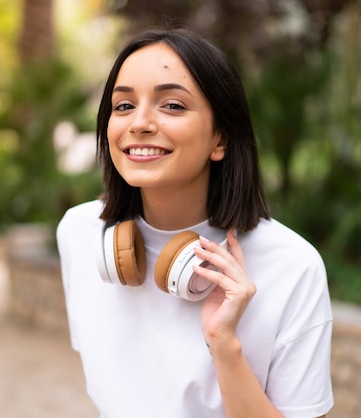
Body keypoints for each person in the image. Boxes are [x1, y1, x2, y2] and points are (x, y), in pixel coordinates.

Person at [57, 27, 333, 418]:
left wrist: (224, 344)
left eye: (172, 105)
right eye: (123, 106)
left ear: (220, 137)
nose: (139, 123)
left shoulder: (293, 267)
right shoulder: (79, 233)